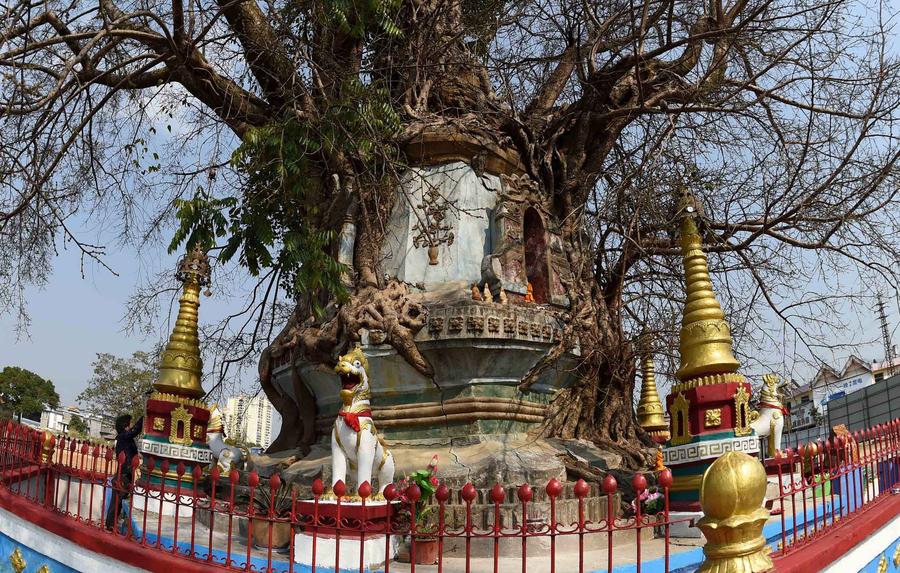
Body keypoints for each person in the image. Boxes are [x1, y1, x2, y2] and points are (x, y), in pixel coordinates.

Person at [105, 413, 143, 531]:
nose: (131, 425)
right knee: (117, 500)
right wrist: (144, 418)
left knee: (121, 499)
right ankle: (110, 524)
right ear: (125, 425)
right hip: (123, 473)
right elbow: (135, 431)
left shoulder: (126, 438)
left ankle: (113, 523)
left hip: (127, 472)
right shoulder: (123, 437)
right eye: (129, 423)